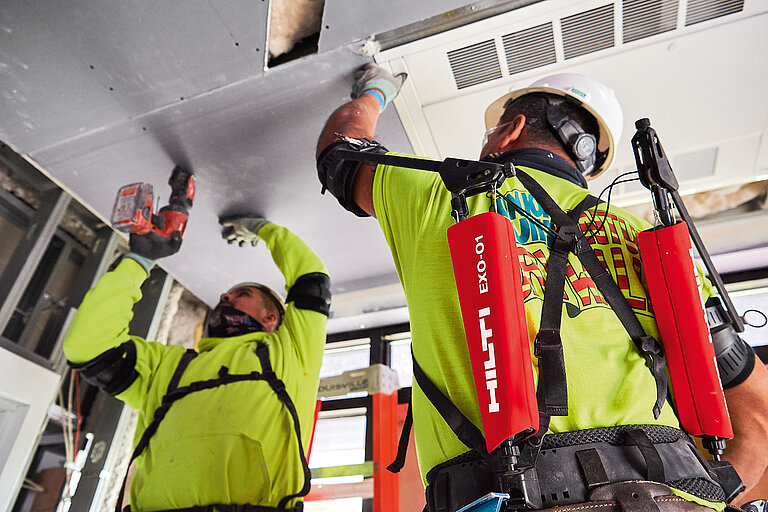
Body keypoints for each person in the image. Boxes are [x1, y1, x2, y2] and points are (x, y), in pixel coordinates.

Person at [316, 64, 768, 511]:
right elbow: (758, 416)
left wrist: (375, 90)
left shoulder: (441, 194)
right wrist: (708, 501)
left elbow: (341, 150)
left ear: (510, 131)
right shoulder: (652, 241)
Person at [64, 215, 331, 512]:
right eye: (227, 293)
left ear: (272, 318)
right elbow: (87, 348)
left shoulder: (292, 352)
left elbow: (311, 278)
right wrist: (138, 261)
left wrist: (260, 228)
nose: (225, 296)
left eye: (243, 294)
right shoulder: (167, 366)